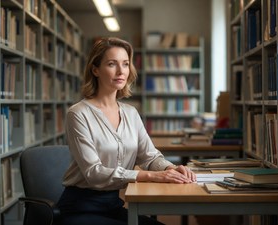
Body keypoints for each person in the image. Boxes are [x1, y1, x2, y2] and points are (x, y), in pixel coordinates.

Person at [57, 37, 196, 225]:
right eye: (112, 64)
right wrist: (150, 176)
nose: (121, 71)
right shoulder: (78, 114)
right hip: (80, 208)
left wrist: (171, 169)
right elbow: (94, 173)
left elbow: (150, 156)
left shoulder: (130, 113)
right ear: (95, 69)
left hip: (114, 205)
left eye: (126, 64)